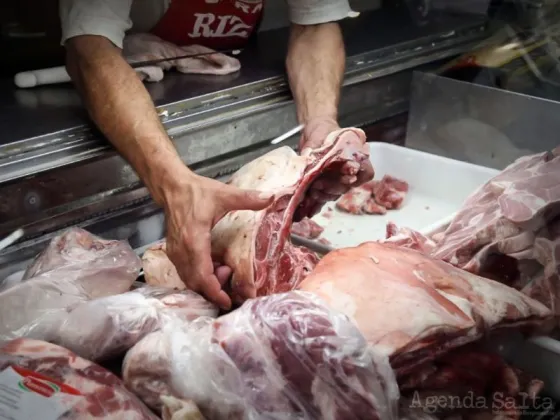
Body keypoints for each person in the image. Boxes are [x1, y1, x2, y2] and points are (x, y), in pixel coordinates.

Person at [59, 0, 373, 310]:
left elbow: (314, 23)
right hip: (126, 109)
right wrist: (175, 188)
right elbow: (89, 47)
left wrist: (320, 125)